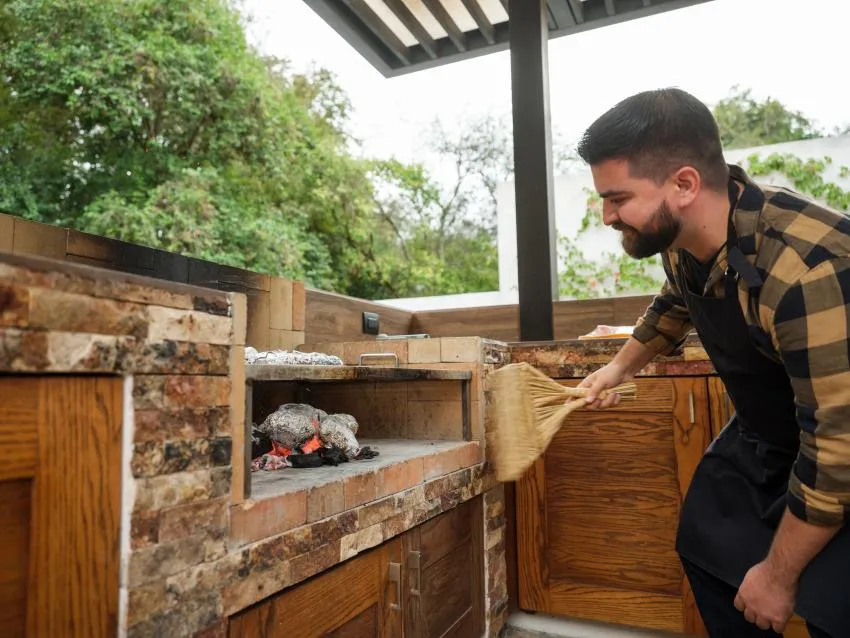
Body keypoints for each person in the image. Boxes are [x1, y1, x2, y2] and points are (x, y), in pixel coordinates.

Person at [575, 88, 849, 638]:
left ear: (684, 184)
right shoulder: (682, 235)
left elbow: (837, 453)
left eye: (617, 198)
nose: (606, 216)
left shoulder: (806, 270)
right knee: (706, 546)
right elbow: (676, 300)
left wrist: (777, 576)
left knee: (829, 605)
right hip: (769, 432)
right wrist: (617, 369)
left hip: (836, 443)